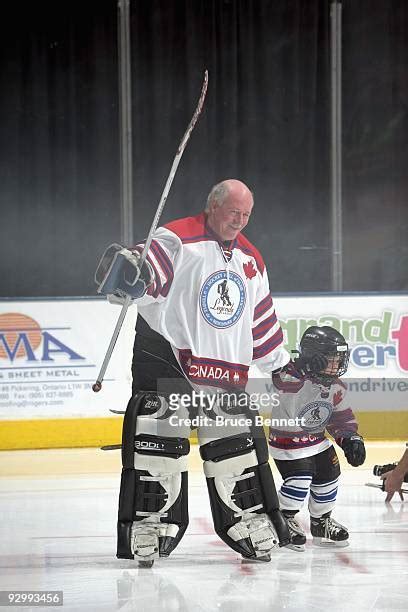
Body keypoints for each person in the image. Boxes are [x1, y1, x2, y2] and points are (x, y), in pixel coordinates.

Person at [95, 179, 291, 565]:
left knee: (236, 452)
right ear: (213, 206)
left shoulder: (252, 259)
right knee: (157, 445)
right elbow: (151, 265)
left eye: (246, 214)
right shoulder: (177, 237)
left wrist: (279, 364)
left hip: (222, 370)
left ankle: (248, 519)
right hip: (166, 356)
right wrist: (136, 271)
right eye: (234, 211)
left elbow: (261, 321)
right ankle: (149, 523)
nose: (239, 220)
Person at [268, 325, 366, 550]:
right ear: (315, 357)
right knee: (300, 481)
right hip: (288, 443)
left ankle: (321, 522)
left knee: (329, 474)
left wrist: (350, 438)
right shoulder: (292, 376)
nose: (337, 364)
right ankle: (283, 518)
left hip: (316, 441)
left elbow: (340, 418)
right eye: (332, 358)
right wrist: (301, 366)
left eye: (340, 358)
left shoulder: (336, 387)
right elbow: (281, 380)